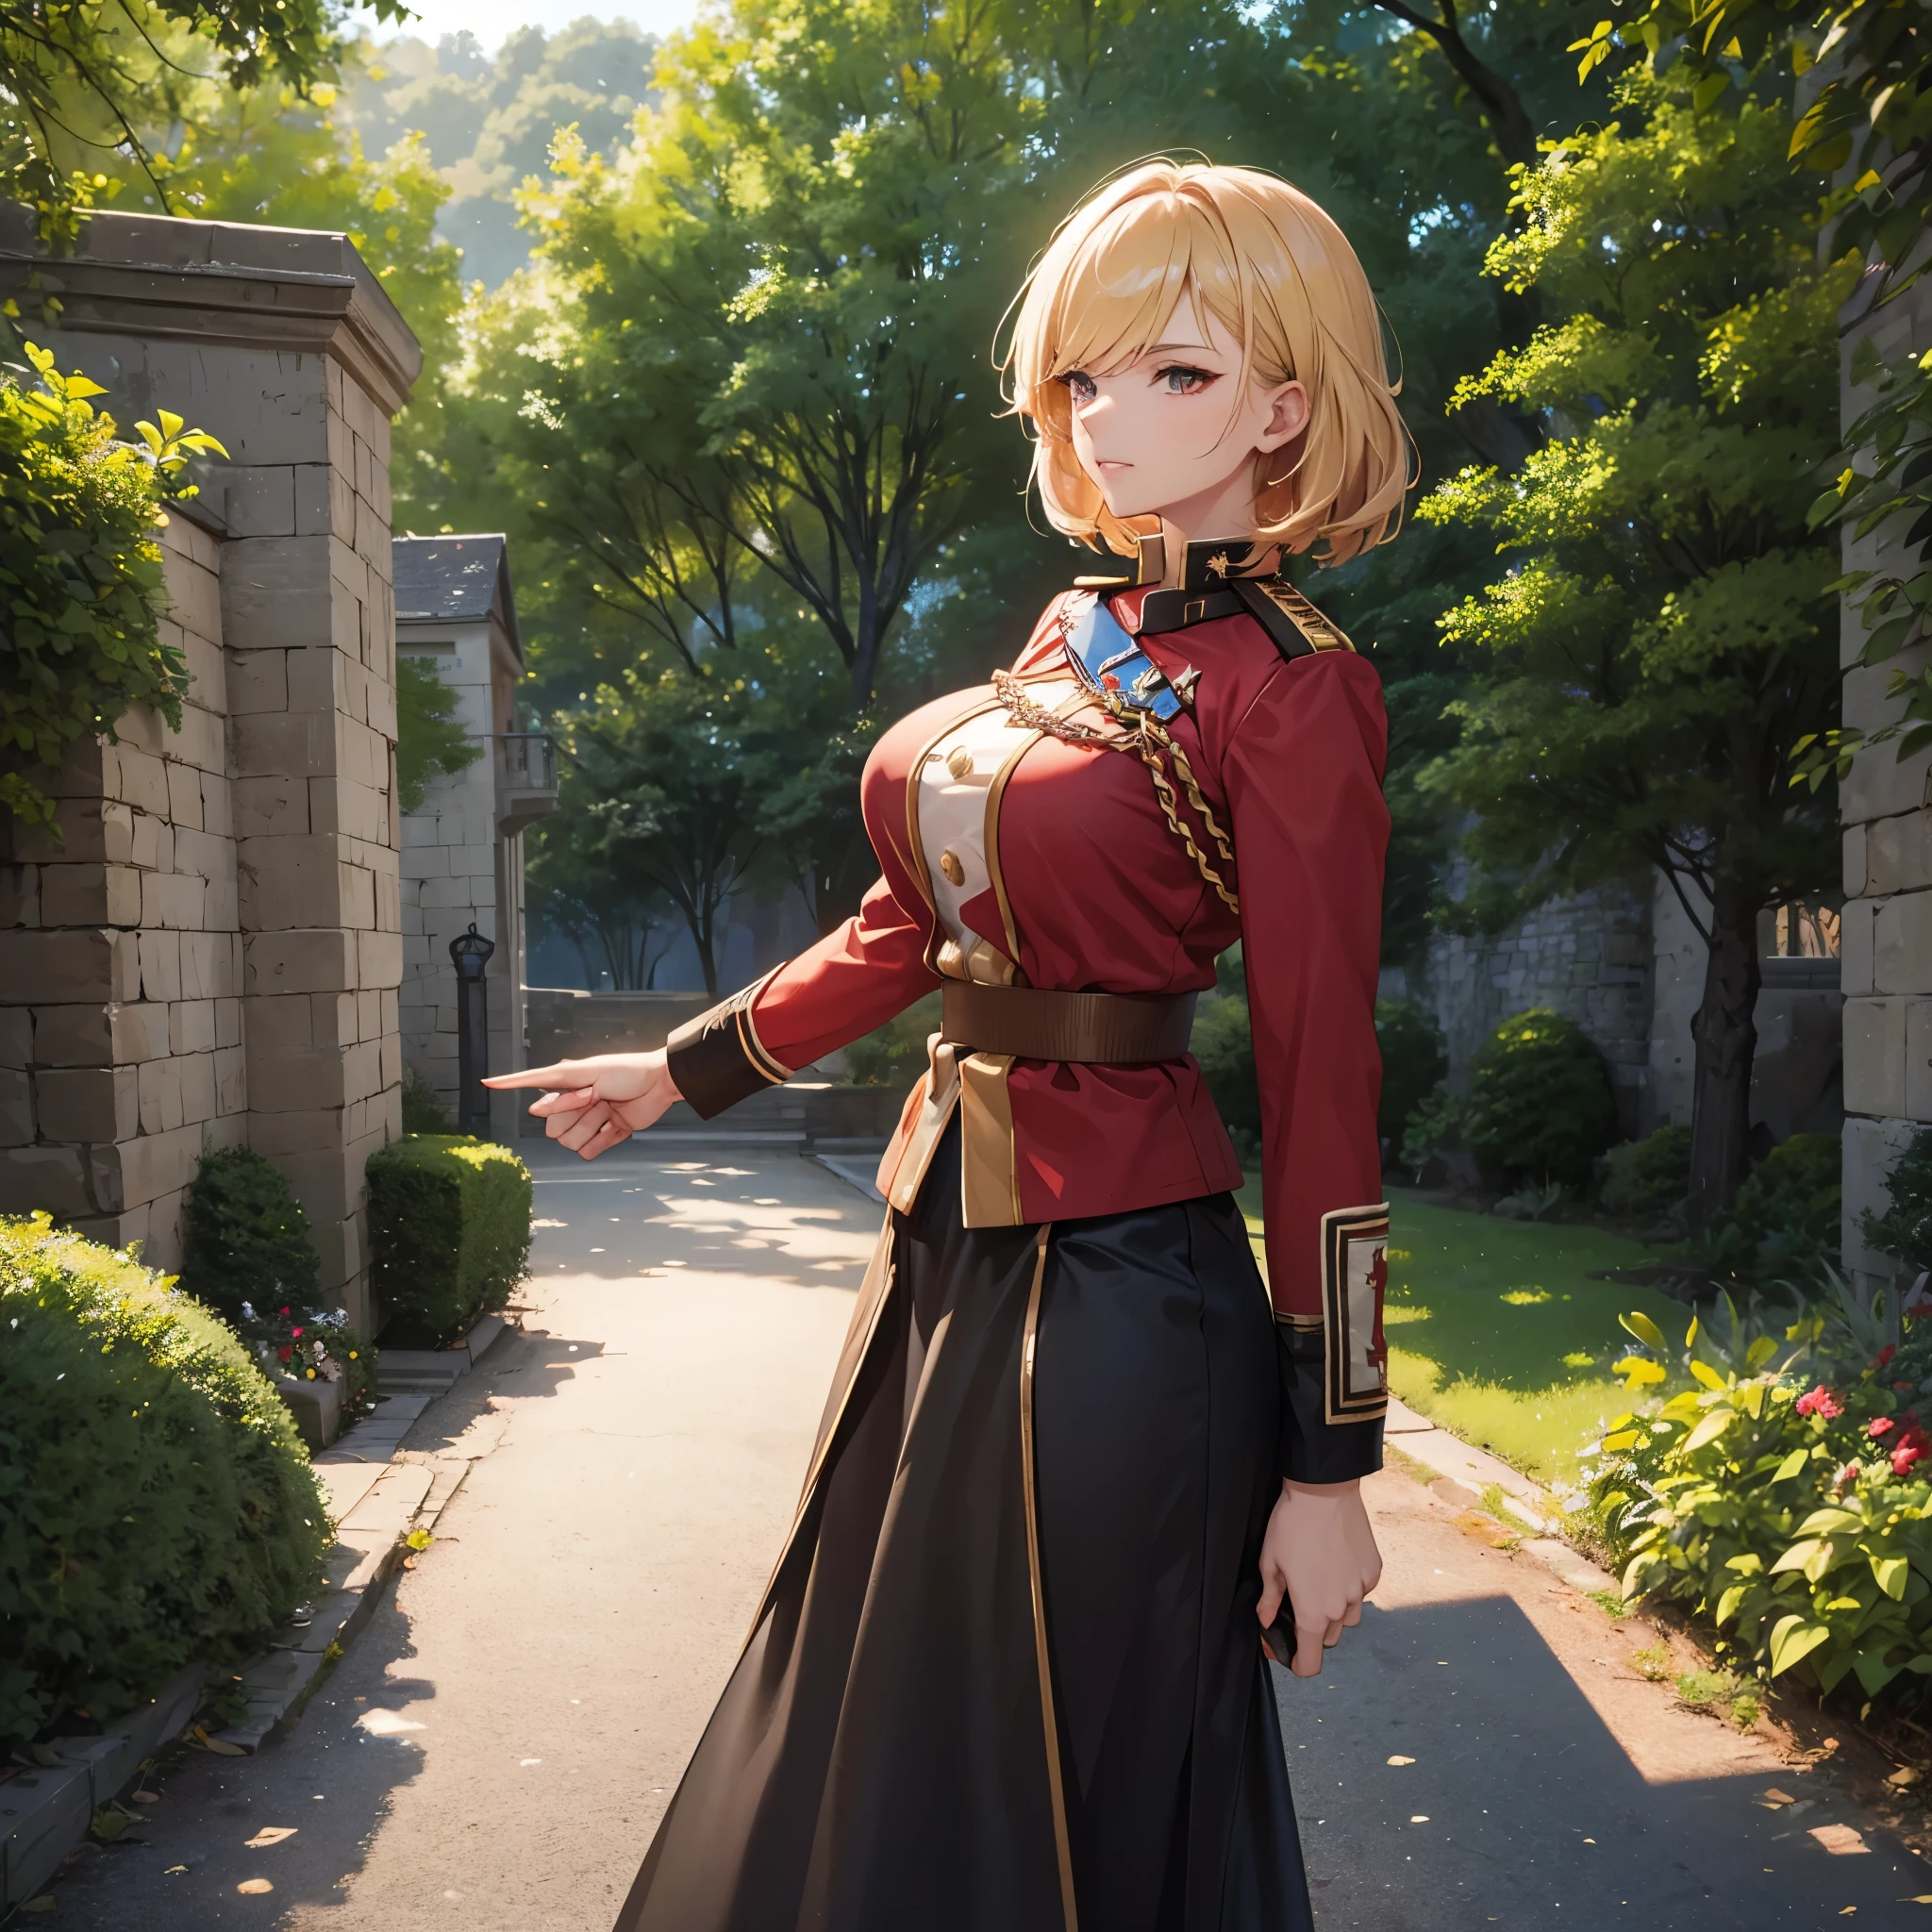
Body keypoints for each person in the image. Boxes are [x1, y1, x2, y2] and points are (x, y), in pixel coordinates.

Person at [486, 158, 1412, 1932]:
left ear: (1288, 405)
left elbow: (1323, 1079)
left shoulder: (1295, 687)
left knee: (1067, 1765)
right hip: (943, 1254)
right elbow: (915, 928)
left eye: (1182, 376)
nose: (1116, 418)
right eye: (1087, 379)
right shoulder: (1072, 639)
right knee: (889, 1722)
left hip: (1130, 1283)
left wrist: (1335, 1467)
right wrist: (676, 1073)